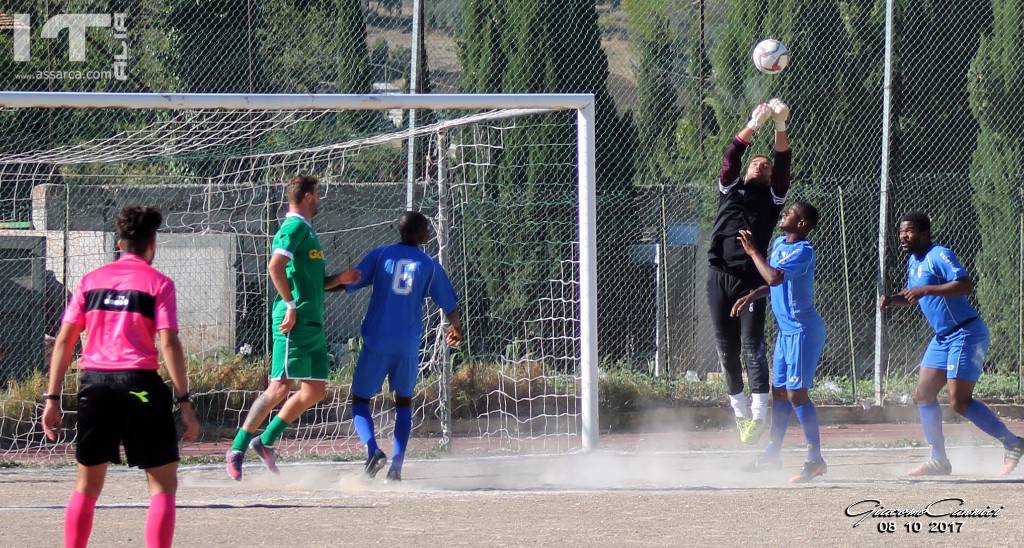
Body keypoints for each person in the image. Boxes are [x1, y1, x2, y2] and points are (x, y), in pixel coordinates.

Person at [42, 205, 200, 548]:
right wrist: (184, 401)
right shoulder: (159, 283)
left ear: (119, 243)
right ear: (152, 244)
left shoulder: (90, 281)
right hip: (140, 386)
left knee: (86, 486)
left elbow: (65, 340)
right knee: (161, 486)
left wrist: (52, 399)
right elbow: (169, 341)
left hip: (95, 386)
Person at [226, 175, 356, 480]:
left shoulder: (308, 232)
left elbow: (313, 283)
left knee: (315, 390)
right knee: (279, 387)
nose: (320, 199)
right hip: (292, 321)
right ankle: (236, 448)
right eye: (318, 194)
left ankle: (266, 441)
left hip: (313, 322)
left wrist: (341, 279)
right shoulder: (294, 226)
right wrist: (291, 305)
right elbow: (275, 266)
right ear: (309, 196)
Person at [880, 212, 1023, 475]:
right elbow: (913, 295)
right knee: (923, 394)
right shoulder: (914, 261)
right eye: (901, 232)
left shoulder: (939, 254)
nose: (903, 236)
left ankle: (1012, 443)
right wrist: (893, 300)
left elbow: (965, 285)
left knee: (959, 401)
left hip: (966, 333)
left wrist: (926, 290)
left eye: (909, 231)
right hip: (943, 337)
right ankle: (938, 459)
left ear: (924, 232)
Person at [343, 211, 462, 482]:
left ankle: (373, 449)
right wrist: (456, 327)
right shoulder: (428, 265)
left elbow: (351, 280)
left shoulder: (381, 255)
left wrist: (322, 284)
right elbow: (449, 304)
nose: (430, 232)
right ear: (418, 233)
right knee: (403, 402)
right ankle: (396, 466)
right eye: (427, 228)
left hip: (377, 340)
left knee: (361, 400)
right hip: (407, 344)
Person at [707, 98, 791, 443]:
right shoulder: (730, 191)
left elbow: (784, 163)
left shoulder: (772, 200)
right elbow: (730, 158)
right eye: (757, 163)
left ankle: (759, 415)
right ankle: (740, 416)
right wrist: (754, 124)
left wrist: (780, 125)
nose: (762, 167)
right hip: (719, 276)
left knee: (752, 345)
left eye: (767, 167)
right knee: (725, 348)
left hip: (751, 281)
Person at [733, 201, 827, 482]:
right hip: (787, 333)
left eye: (790, 213)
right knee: (780, 392)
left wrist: (752, 252)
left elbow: (774, 276)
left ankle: (815, 459)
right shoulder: (778, 244)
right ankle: (772, 454)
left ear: (802, 224)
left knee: (797, 393)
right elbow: (774, 281)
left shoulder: (804, 251)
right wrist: (751, 295)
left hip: (802, 330)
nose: (784, 214)